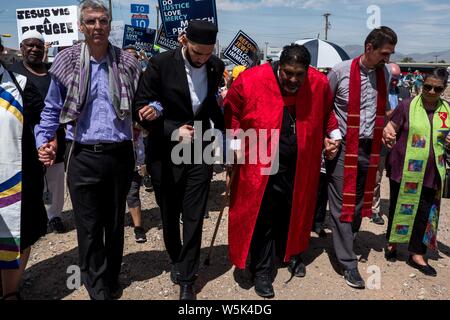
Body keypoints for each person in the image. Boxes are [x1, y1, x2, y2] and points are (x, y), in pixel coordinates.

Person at [35, 0, 141, 300]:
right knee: (89, 225)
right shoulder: (67, 61)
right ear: (81, 26)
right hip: (82, 155)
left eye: (103, 21)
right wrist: (43, 139)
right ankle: (96, 285)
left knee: (114, 222)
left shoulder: (128, 63)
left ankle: (112, 275)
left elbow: (144, 99)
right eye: (91, 21)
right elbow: (52, 108)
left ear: (110, 25)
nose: (97, 27)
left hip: (119, 155)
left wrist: (153, 109)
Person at [224, 44, 341, 298]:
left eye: (300, 74)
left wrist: (333, 134)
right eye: (288, 73)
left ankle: (293, 253)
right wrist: (233, 143)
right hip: (261, 162)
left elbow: (327, 112)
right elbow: (231, 111)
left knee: (295, 212)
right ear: (280, 66)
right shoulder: (252, 80)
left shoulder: (318, 83)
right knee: (264, 216)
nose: (293, 79)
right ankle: (263, 271)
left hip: (301, 164)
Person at [134, 20, 224, 300]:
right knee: (169, 213)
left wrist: (225, 138)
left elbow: (209, 103)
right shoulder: (160, 64)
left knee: (194, 213)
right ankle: (176, 257)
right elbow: (140, 107)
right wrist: (173, 129)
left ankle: (188, 275)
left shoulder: (215, 66)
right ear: (184, 41)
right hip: (164, 150)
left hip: (199, 147)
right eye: (198, 53)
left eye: (208, 53)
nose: (203, 59)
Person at [327, 26, 397, 289]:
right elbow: (326, 106)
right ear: (369, 48)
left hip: (371, 146)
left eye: (390, 54)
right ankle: (348, 262)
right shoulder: (339, 71)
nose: (388, 59)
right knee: (342, 202)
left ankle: (345, 238)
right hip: (344, 146)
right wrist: (331, 135)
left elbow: (384, 108)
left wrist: (388, 127)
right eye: (384, 53)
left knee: (358, 200)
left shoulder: (385, 74)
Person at [383, 67, 450, 276]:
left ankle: (417, 253)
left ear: (444, 89)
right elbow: (391, 127)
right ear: (421, 84)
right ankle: (393, 242)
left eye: (437, 89)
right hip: (404, 168)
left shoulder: (447, 111)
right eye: (427, 86)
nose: (431, 91)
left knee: (424, 210)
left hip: (432, 170)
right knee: (398, 206)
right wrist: (388, 133)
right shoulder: (407, 106)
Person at [0, 37, 47, 300]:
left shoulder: (20, 84)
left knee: (23, 230)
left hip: (19, 175)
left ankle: (11, 291)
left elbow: (42, 122)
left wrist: (46, 143)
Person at [9, 30, 67, 234]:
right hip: (21, 138)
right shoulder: (11, 73)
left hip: (53, 136)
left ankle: (55, 216)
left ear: (44, 49)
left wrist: (52, 136)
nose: (34, 49)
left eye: (38, 46)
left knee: (55, 179)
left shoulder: (54, 75)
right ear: (22, 48)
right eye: (29, 45)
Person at [370, 62, 402, 226]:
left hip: (398, 144)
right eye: (393, 78)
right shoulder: (377, 92)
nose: (395, 82)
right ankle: (374, 210)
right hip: (380, 141)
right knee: (376, 177)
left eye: (398, 78)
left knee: (397, 178)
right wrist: (395, 113)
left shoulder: (403, 92)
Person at [127, 125, 147, 243]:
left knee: (133, 193)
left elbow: (145, 131)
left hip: (136, 158)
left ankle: (138, 227)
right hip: (114, 158)